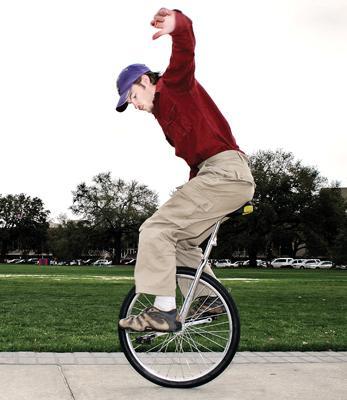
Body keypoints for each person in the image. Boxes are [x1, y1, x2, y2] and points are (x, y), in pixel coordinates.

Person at [116, 8, 255, 332]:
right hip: (215, 176)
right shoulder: (164, 116)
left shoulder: (174, 86)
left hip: (226, 173)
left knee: (154, 230)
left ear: (145, 81)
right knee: (178, 242)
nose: (134, 105)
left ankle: (163, 311)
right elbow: (196, 161)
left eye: (133, 96)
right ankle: (207, 297)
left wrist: (177, 24)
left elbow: (185, 49)